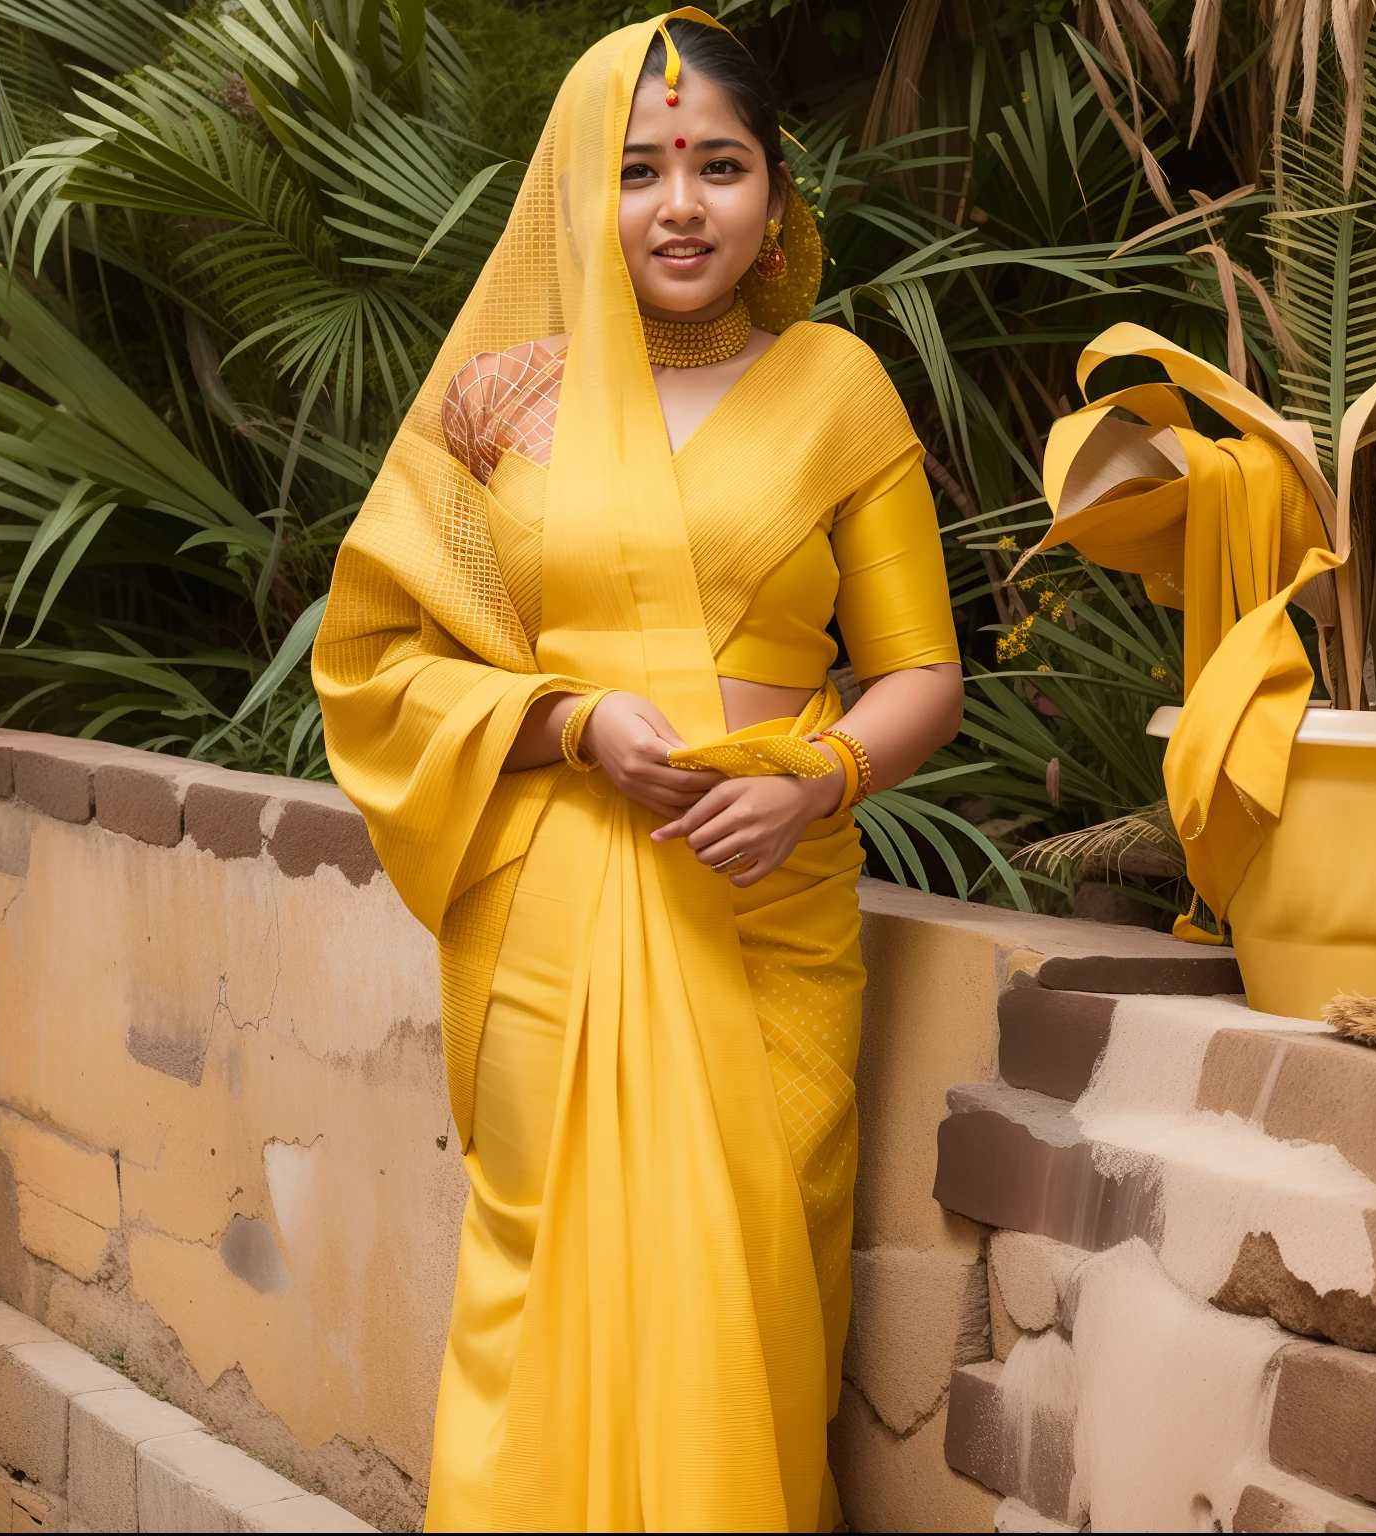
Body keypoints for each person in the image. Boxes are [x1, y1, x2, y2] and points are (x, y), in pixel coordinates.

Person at [314, 10, 964, 1529]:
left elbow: (923, 674)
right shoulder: (496, 406)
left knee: (743, 1292)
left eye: (720, 166)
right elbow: (382, 658)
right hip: (555, 920)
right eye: (639, 169)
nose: (681, 204)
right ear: (577, 198)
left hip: (767, 912)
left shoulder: (839, 387)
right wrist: (565, 722)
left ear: (775, 199)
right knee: (541, 1292)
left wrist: (820, 779)